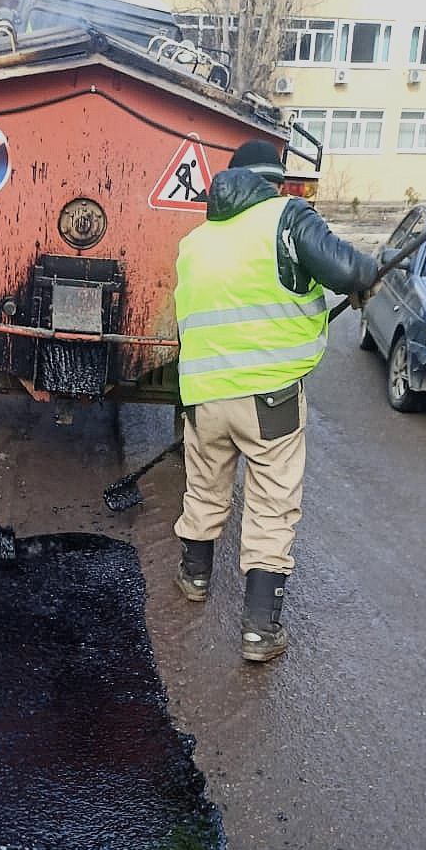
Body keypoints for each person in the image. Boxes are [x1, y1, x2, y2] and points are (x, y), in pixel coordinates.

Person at [174, 139, 379, 662]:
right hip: (269, 397)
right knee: (271, 505)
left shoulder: (196, 240)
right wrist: (366, 279)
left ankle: (194, 576)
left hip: (202, 395)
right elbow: (350, 271)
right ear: (274, 181)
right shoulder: (285, 218)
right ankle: (259, 631)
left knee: (205, 487)